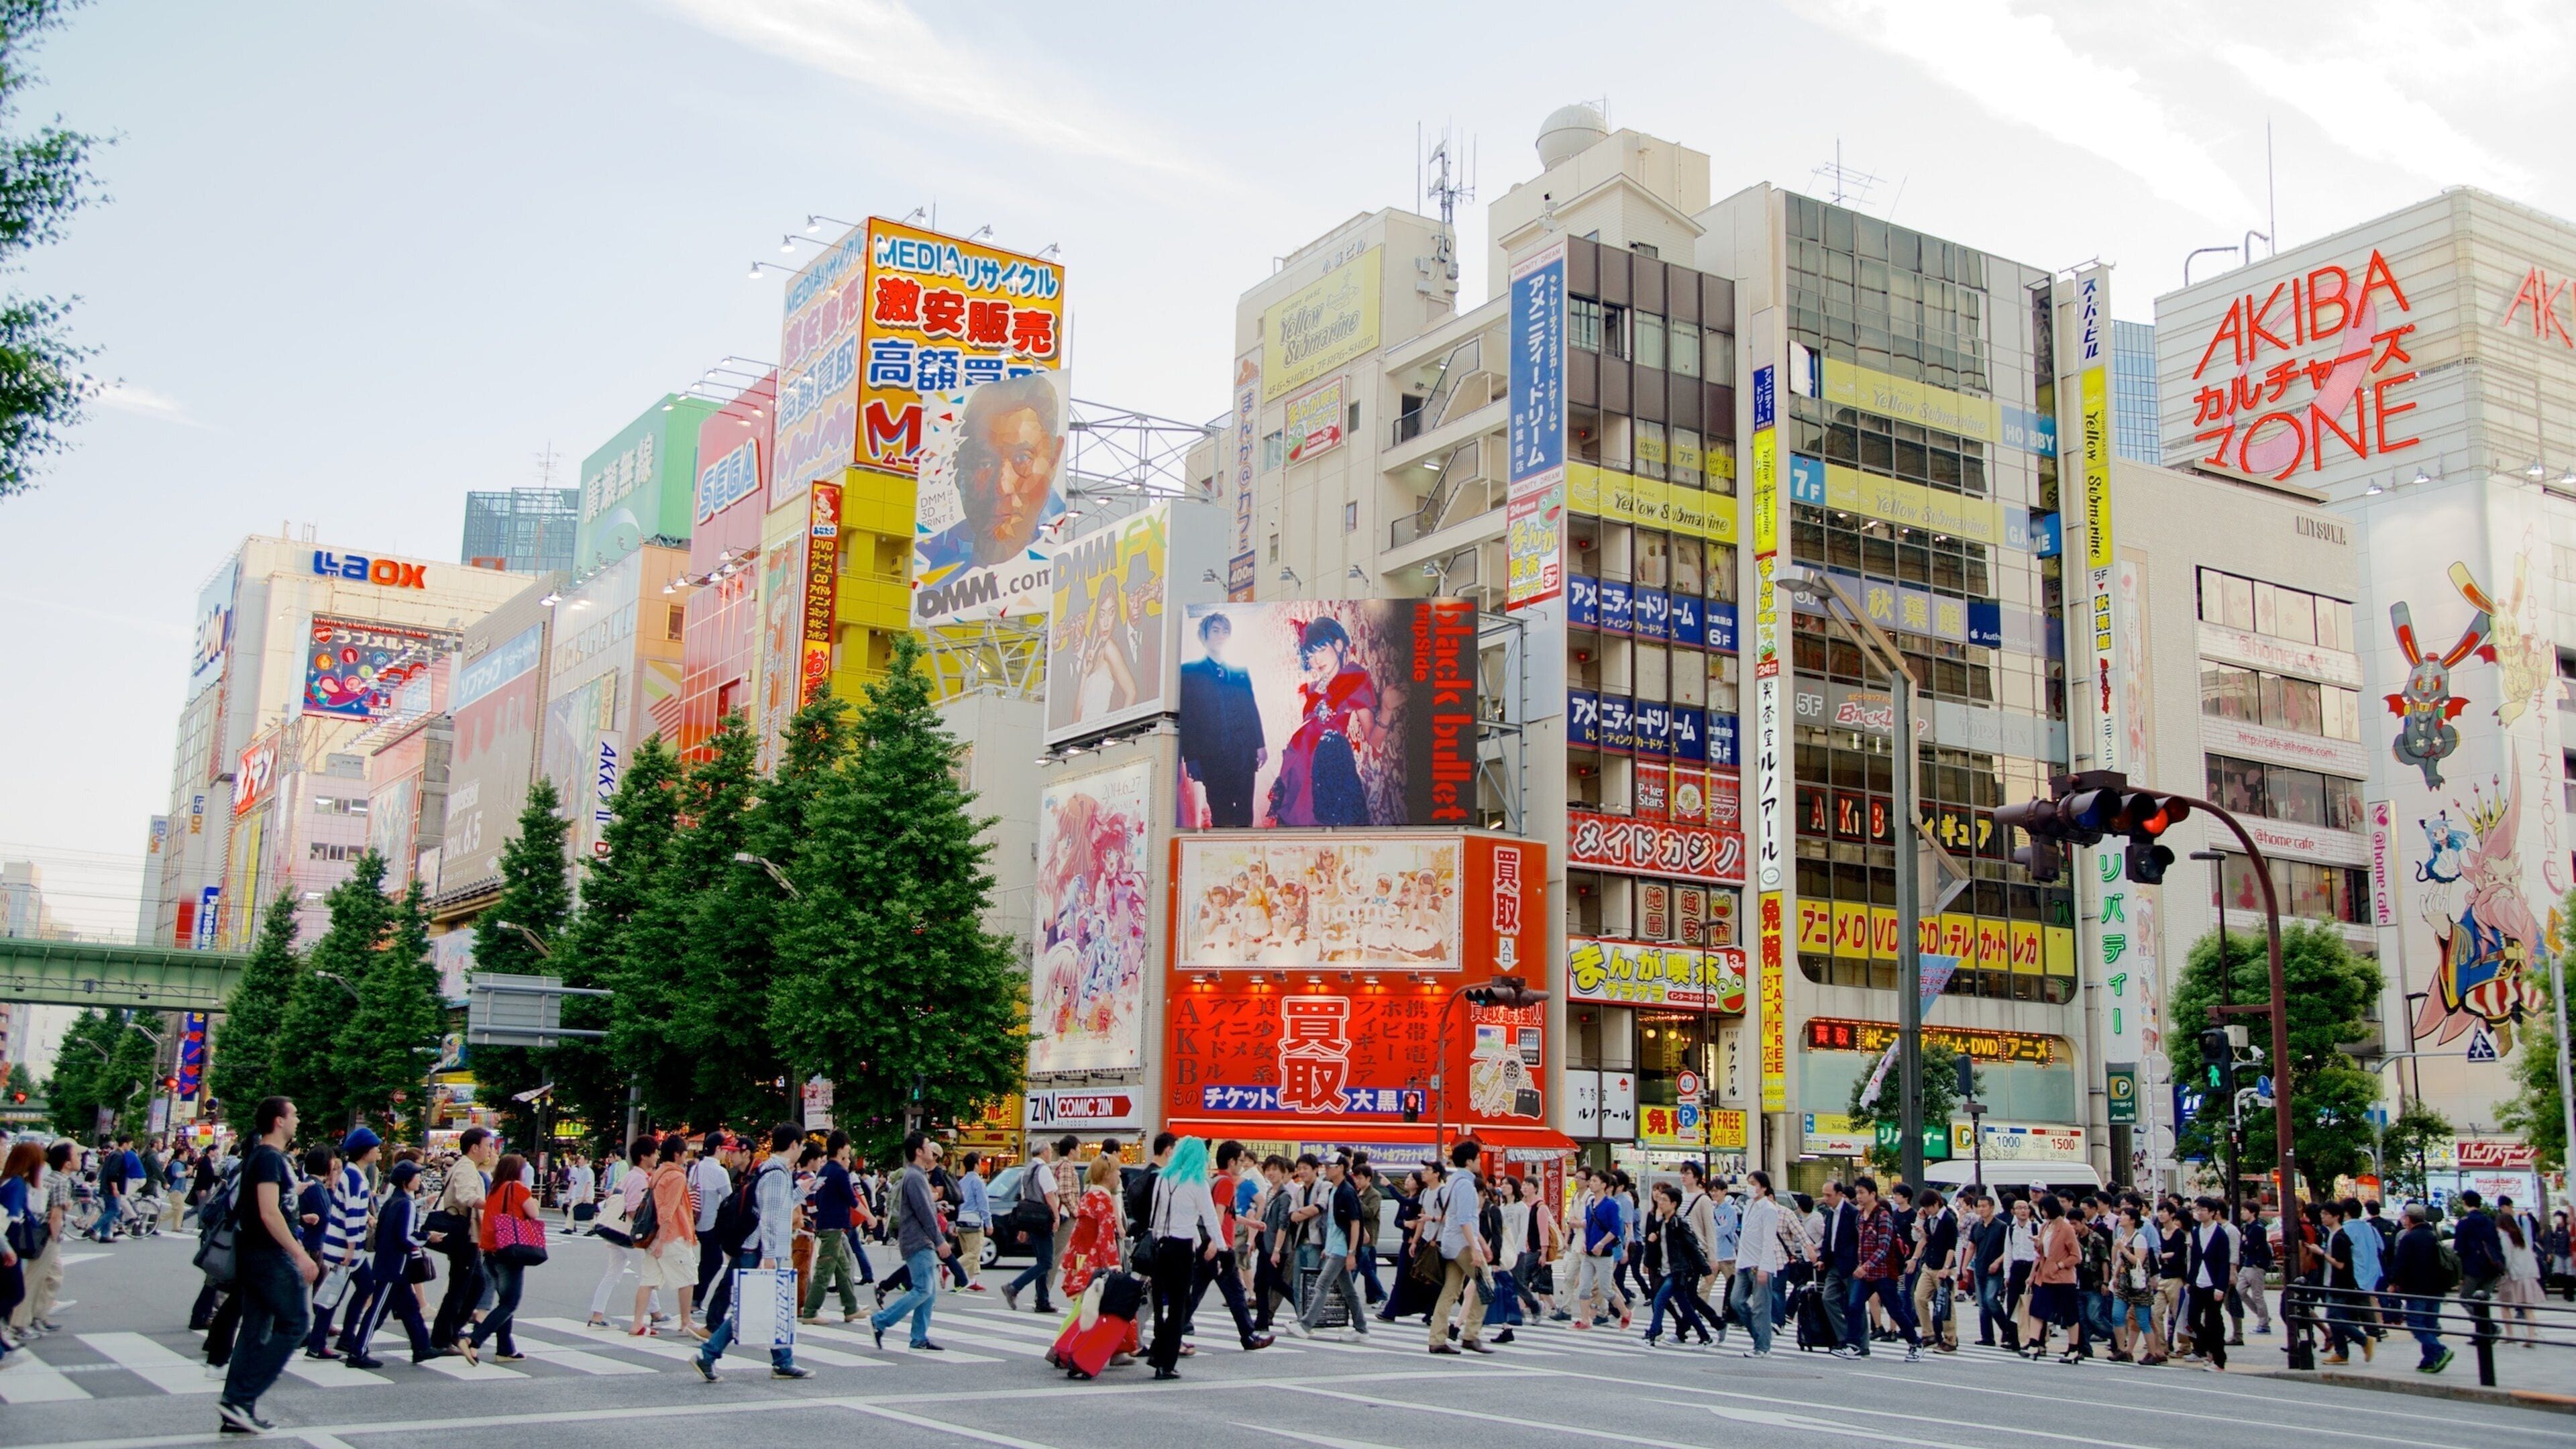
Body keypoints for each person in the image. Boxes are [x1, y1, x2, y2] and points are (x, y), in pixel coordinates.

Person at [217, 1097, 321, 1436]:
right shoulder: (268, 1157)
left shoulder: (267, 1157)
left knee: (256, 1330)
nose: (298, 1119)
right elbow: (268, 1211)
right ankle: (240, 1398)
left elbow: (273, 1208)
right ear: (279, 1120)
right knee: (296, 1324)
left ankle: (237, 1408)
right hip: (268, 1254)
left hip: (256, 1252)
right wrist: (299, 1253)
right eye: (294, 1114)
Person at [695, 1123, 814, 1381]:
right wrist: (769, 1257)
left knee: (768, 1304)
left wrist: (800, 1192)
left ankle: (782, 1360)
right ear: (794, 1144)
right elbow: (770, 1218)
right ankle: (709, 1354)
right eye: (802, 1145)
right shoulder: (776, 1173)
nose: (802, 1150)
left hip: (756, 1248)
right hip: (758, 1250)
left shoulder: (771, 1169)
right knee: (753, 1306)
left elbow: (776, 1208)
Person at [1272, 616, 1381, 828]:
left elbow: (1373, 739)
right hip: (1300, 765)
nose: (1316, 661)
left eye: (1321, 650)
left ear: (1338, 645)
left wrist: (1387, 709)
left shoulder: (1354, 678)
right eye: (1310, 655)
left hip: (1328, 765)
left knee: (1326, 826)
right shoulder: (1316, 686)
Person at [951, 371, 1064, 568]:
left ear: (1054, 459)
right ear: (958, 470)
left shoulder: (1073, 540)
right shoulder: (928, 560)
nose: (1002, 487)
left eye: (1023, 459)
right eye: (985, 464)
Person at [1140, 1137, 1226, 1379]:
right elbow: (1210, 1219)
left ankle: (1158, 1352)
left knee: (1159, 1303)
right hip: (1181, 1249)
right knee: (1179, 1306)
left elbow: (1155, 1215)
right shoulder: (1198, 1183)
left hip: (1160, 1246)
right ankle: (1166, 1362)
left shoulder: (1162, 1178)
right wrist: (1222, 1248)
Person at [1179, 612, 1269, 828]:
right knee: (1220, 812)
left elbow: (1251, 708)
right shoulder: (1189, 673)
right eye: (1216, 630)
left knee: (1245, 812)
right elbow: (1188, 719)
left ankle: (1247, 847)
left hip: (1243, 752)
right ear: (1204, 636)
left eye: (1226, 631)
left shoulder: (1239, 671)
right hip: (1211, 756)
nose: (1221, 635)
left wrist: (1260, 745)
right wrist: (1191, 758)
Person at [869, 1131, 951, 1352]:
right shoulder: (915, 1177)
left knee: (929, 1291)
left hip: (919, 1239)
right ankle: (880, 1321)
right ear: (918, 1151)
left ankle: (919, 1337)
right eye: (928, 1145)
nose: (931, 1149)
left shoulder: (917, 1175)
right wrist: (940, 1240)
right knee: (923, 1289)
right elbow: (923, 1212)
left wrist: (936, 1207)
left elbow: (922, 1207)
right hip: (918, 1240)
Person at [348, 1160, 435, 1366]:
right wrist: (428, 1237)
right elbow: (406, 1238)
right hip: (395, 1266)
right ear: (406, 1181)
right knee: (377, 1311)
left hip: (391, 1264)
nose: (419, 1179)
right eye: (416, 1176)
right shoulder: (406, 1204)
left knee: (410, 1307)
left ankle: (422, 1347)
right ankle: (357, 1352)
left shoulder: (393, 1201)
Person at [456, 1154, 539, 1364]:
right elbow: (534, 1212)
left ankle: (505, 1349)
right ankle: (473, 1340)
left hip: (492, 1250)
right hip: (510, 1252)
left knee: (504, 1302)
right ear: (517, 1171)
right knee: (510, 1303)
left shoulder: (494, 1189)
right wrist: (534, 1201)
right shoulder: (517, 1188)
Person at [1835, 1177, 1923, 1362]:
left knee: (1895, 1310)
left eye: (1862, 1193)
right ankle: (1853, 1345)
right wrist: (1860, 1265)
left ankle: (1916, 1343)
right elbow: (1860, 1244)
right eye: (1857, 1193)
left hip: (1884, 1273)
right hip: (1865, 1274)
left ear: (1873, 1194)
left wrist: (1866, 1266)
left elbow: (1884, 1247)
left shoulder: (1883, 1216)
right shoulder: (1860, 1216)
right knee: (1854, 1305)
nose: (1859, 1197)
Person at [311, 1129, 380, 1360]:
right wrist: (352, 1247)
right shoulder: (355, 1177)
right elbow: (352, 1214)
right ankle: (324, 1342)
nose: (378, 1151)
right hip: (346, 1247)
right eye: (376, 1148)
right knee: (338, 1293)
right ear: (366, 1151)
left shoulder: (353, 1174)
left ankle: (338, 1339)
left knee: (351, 1290)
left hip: (345, 1245)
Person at [426, 1128, 493, 1349]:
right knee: (461, 1286)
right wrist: (494, 1206)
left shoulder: (466, 1166)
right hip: (464, 1233)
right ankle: (444, 1336)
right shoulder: (466, 1168)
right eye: (487, 1145)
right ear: (475, 1147)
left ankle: (451, 1331)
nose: (490, 1150)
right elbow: (466, 1196)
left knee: (475, 1284)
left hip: (468, 1234)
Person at [1291, 1154, 1369, 1342]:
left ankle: (1305, 1325)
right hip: (1336, 1248)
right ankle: (1362, 1329)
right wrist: (1329, 1247)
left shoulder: (1347, 1192)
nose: (1326, 1169)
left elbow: (1355, 1223)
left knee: (1322, 1284)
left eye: (1330, 1166)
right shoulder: (1335, 1190)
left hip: (1342, 1249)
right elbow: (1333, 1225)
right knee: (1348, 1290)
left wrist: (1351, 1253)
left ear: (1341, 1168)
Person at [1424, 1138, 1492, 1355]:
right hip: (1462, 1244)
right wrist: (1475, 1248)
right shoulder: (1466, 1186)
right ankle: (1471, 1334)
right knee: (1486, 1283)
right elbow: (1465, 1220)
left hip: (1450, 1242)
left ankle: (1437, 1339)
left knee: (1450, 1291)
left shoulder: (1452, 1181)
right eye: (1478, 1158)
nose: (1480, 1162)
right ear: (1469, 1161)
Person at [588, 1136, 657, 1329]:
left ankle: (597, 1314)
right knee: (647, 1274)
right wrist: (647, 1231)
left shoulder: (629, 1175)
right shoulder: (639, 1179)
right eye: (655, 1153)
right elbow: (634, 1210)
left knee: (613, 1274)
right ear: (644, 1156)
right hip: (628, 1234)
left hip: (614, 1230)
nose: (657, 1156)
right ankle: (657, 1314)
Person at [800, 1131, 863, 1324]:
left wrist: (816, 1217)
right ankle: (810, 1311)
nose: (849, 1151)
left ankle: (851, 1308)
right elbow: (852, 1199)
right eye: (847, 1147)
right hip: (834, 1225)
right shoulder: (840, 1172)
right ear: (841, 1148)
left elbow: (815, 1195)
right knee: (825, 1270)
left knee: (843, 1267)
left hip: (826, 1224)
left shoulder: (824, 1171)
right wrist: (869, 1216)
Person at [9, 1140, 70, 1340]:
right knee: (33, 1279)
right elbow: (49, 1214)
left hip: (32, 1233)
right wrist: (55, 1237)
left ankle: (36, 1316)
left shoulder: (29, 1181)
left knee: (52, 1276)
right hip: (40, 1235)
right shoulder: (19, 1183)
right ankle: (20, 1323)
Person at [1644, 1182, 1715, 1348]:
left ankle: (1652, 1336)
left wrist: (1706, 1271)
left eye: (1664, 1200)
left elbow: (1693, 1248)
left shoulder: (1679, 1224)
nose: (1660, 1202)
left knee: (1659, 1300)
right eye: (1660, 1199)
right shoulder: (1663, 1223)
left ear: (1674, 1204)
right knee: (1685, 1306)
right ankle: (1705, 1336)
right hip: (1667, 1270)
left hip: (1678, 1271)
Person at [1004, 1136, 1071, 1313]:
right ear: (1044, 1151)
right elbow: (1050, 1195)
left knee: (1042, 1260)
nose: (1051, 1154)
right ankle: (1014, 1286)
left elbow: (1024, 1197)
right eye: (1049, 1150)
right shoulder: (1043, 1169)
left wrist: (1023, 1227)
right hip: (1043, 1218)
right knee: (1047, 1262)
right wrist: (1056, 1216)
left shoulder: (1027, 1170)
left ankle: (1043, 1300)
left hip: (1030, 1218)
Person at [2388, 1201, 2454, 1373]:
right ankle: (2429, 1360)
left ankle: (2439, 1350)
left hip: (2416, 1288)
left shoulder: (2409, 1238)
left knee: (2415, 1322)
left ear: (2409, 1219)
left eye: (2404, 1217)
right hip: (2436, 1288)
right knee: (2429, 1324)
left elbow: (2400, 1263)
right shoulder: (2433, 1236)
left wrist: (2393, 1282)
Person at [2450, 1189, 2507, 1346]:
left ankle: (2489, 1328)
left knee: (2465, 1298)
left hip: (2473, 1267)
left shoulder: (2464, 1223)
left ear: (2465, 1202)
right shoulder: (2489, 1221)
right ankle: (2483, 1334)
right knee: (2483, 1301)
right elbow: (2497, 1245)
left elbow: (2459, 1249)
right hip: (2491, 1267)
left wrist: (2460, 1272)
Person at [1911, 1187, 1960, 1352]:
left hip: (1944, 1268)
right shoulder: (1929, 1219)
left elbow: (1951, 1247)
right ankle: (1928, 1333)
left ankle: (1950, 1340)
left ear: (1937, 1203)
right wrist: (1915, 1259)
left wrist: (1946, 1268)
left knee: (1946, 1305)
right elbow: (1924, 1239)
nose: (1927, 1210)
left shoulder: (1948, 1219)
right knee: (1919, 1297)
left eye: (1929, 1206)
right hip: (1929, 1265)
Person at [2498, 1199, 2544, 1343]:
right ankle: (2531, 1337)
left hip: (2514, 1276)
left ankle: (2510, 1336)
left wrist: (2502, 1272)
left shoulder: (2505, 1238)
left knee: (2505, 1305)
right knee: (2528, 1308)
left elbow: (2507, 1259)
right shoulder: (2520, 1238)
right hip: (2528, 1275)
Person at [2233, 1201, 2274, 1337]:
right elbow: (2243, 1246)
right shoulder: (2246, 1227)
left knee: (2257, 1296)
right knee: (2239, 1291)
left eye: (2245, 1210)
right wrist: (2244, 1242)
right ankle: (2263, 1316)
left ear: (2253, 1213)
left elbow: (2250, 1246)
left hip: (2257, 1264)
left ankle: (2264, 1324)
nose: (2242, 1213)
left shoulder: (2258, 1228)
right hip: (2247, 1263)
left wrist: (2245, 1242)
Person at [953, 1151, 989, 1292]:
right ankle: (949, 1269)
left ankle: (972, 1281)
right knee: (974, 1252)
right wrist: (988, 1222)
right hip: (974, 1220)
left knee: (968, 1251)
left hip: (961, 1220)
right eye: (980, 1162)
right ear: (976, 1165)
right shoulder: (978, 1182)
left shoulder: (961, 1182)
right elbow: (983, 1204)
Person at [563, 1151, 596, 1234]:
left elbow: (588, 1183)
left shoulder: (588, 1171)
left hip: (586, 1195)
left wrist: (585, 1195)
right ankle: (569, 1228)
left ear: (586, 1160)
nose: (579, 1161)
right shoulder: (580, 1170)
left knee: (589, 1212)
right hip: (579, 1194)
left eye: (581, 1159)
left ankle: (592, 1228)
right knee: (572, 1210)